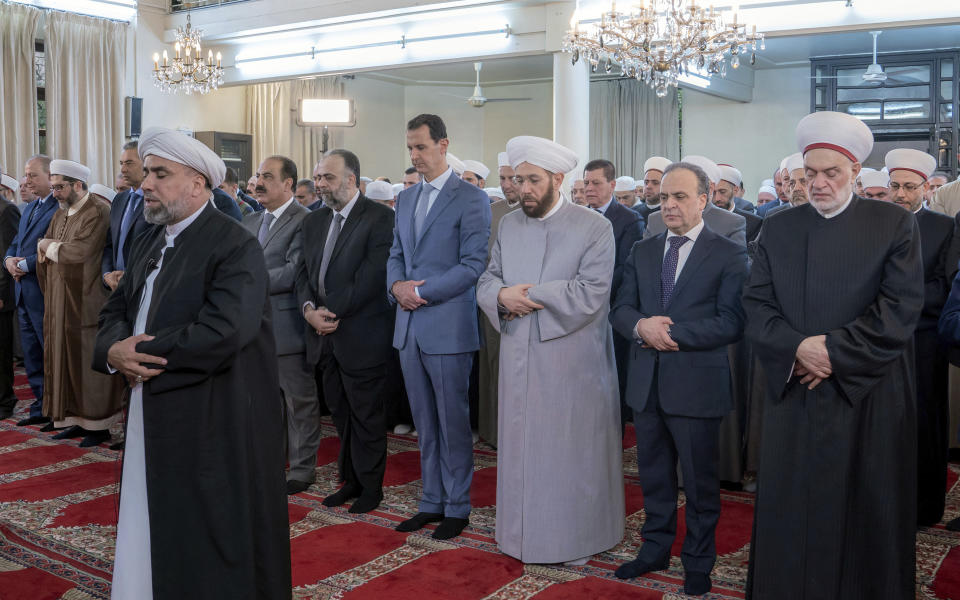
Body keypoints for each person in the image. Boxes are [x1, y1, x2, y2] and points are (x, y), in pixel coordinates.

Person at [93, 127, 290, 598]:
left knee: (205, 530)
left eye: (161, 174)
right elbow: (114, 311)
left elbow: (224, 330)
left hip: (212, 415)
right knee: (150, 510)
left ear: (197, 183)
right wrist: (110, 351)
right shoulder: (148, 238)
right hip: (150, 406)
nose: (146, 184)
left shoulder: (234, 243)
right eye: (147, 173)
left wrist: (134, 353)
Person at [743, 111, 922, 600]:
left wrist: (834, 352)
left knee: (865, 508)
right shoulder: (777, 228)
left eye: (831, 174)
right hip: (794, 389)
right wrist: (798, 348)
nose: (818, 184)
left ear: (856, 175)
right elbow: (756, 305)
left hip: (867, 394)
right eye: (809, 174)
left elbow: (899, 310)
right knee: (792, 508)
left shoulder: (895, 224)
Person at [476, 135, 623, 565]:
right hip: (517, 356)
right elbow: (488, 279)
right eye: (518, 179)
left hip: (570, 362)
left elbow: (591, 294)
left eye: (533, 180)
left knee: (567, 453)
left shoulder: (595, 227)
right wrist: (502, 297)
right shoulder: (507, 224)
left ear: (558, 179)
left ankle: (575, 538)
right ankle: (519, 535)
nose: (523, 189)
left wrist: (531, 295)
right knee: (521, 448)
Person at [611, 162, 748, 596]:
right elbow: (620, 309)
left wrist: (666, 333)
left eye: (680, 197)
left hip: (696, 385)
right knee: (653, 476)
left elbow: (732, 322)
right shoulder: (644, 250)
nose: (668, 204)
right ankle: (654, 550)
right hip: (646, 384)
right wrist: (640, 326)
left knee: (700, 483)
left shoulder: (728, 253)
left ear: (704, 200)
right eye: (664, 197)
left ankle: (698, 561)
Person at [387, 113, 491, 540]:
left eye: (422, 147)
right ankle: (431, 500)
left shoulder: (470, 197)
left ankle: (457, 505)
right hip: (409, 326)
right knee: (424, 422)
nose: (415, 155)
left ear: (443, 145)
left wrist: (420, 292)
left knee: (452, 421)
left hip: (446, 324)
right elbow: (396, 253)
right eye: (410, 147)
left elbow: (473, 265)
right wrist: (396, 286)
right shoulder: (407, 197)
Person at [298, 148, 395, 513]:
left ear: (352, 180)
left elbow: (371, 278)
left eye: (328, 178)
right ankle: (350, 481)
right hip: (323, 336)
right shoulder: (313, 221)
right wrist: (309, 312)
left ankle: (371, 488)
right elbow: (303, 277)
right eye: (319, 177)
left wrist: (330, 311)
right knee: (340, 414)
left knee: (366, 416)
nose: (320, 184)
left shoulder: (379, 219)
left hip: (361, 335)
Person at [884, 148, 953, 528]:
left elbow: (944, 287)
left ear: (926, 188)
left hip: (923, 342)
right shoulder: (874, 222)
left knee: (923, 423)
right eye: (895, 185)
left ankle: (924, 507)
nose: (901, 194)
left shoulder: (945, 227)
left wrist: (899, 304)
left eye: (909, 187)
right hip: (879, 340)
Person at [241, 155, 317, 497]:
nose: (258, 182)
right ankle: (271, 461)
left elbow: (292, 271)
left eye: (267, 176)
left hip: (286, 325)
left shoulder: (304, 221)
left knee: (298, 401)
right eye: (258, 175)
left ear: (289, 184)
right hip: (251, 326)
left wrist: (248, 281)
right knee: (262, 402)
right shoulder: (251, 219)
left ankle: (302, 469)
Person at [38, 160, 123, 447]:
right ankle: (72, 420)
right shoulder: (59, 214)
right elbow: (50, 244)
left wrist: (45, 246)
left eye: (60, 187)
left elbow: (80, 252)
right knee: (64, 358)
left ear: (78, 185)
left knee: (87, 364)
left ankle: (97, 425)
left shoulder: (98, 211)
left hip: (87, 299)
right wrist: (47, 247)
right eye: (53, 188)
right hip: (60, 299)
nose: (56, 194)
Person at [583, 159, 645, 430]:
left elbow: (626, 267)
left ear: (611, 185)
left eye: (596, 183)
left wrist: (591, 287)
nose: (589, 189)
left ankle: (612, 434)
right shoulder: (578, 216)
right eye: (586, 183)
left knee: (613, 374)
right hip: (580, 310)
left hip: (611, 308)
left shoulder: (629, 220)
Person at [5, 155, 58, 427]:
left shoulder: (58, 209)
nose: (26, 180)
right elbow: (15, 243)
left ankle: (53, 409)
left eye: (32, 175)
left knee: (49, 354)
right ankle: (39, 406)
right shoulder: (29, 208)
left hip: (43, 291)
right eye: (26, 175)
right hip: (23, 292)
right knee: (32, 354)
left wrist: (22, 264)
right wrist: (8, 260)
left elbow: (54, 248)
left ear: (51, 177)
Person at [477, 151, 521, 447]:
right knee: (493, 368)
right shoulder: (492, 213)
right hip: (494, 305)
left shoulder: (536, 213)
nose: (506, 185)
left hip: (529, 307)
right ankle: (494, 432)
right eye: (502, 178)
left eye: (512, 178)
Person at [645, 156, 746, 246]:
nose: (670, 205)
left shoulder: (730, 223)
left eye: (680, 196)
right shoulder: (655, 220)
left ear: (710, 188)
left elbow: (736, 264)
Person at [102, 141, 151, 293]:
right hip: (115, 287)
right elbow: (110, 244)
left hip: (142, 286)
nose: (123, 169)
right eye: (121, 163)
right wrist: (107, 274)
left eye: (129, 163)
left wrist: (130, 276)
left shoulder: (157, 201)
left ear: (146, 164)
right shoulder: (119, 200)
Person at [0, 191, 20, 419]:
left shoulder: (6, 210)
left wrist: (2, 292)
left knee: (1, 353)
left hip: (1, 295)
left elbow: (6, 257)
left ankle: (4, 402)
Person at [715, 165, 762, 242]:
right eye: (713, 192)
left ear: (735, 190)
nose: (717, 198)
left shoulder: (753, 222)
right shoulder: (702, 219)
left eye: (722, 192)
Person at [634, 156, 671, 220]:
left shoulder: (671, 214)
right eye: (646, 182)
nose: (648, 186)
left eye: (655, 183)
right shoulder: (633, 213)